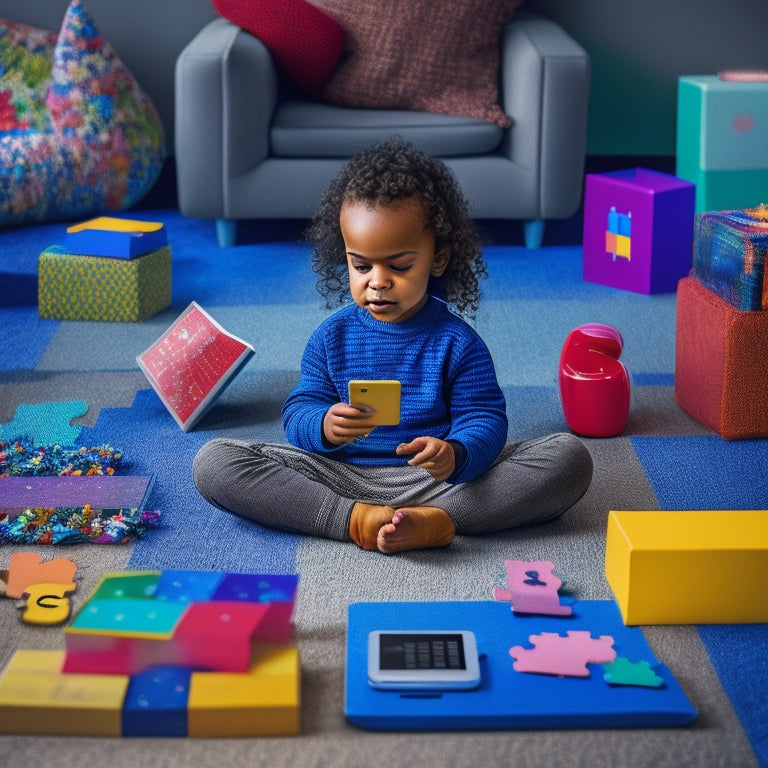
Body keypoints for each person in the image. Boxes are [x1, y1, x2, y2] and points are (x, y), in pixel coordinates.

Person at [193, 139, 593, 554]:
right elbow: (299, 409)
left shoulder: (458, 343)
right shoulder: (330, 338)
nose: (377, 281)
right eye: (361, 265)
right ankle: (354, 518)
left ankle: (439, 520)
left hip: (435, 483)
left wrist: (455, 453)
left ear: (437, 259)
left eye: (400, 266)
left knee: (568, 457)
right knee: (215, 462)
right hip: (339, 476)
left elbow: (485, 417)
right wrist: (324, 424)